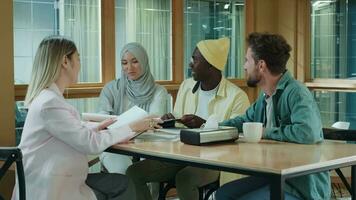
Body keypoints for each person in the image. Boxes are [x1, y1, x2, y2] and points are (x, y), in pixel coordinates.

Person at [12, 36, 162, 200]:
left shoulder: (48, 99)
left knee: (121, 183)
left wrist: (95, 127)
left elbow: (68, 131)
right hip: (51, 187)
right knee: (123, 185)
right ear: (65, 61)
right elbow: (90, 144)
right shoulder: (49, 103)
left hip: (58, 179)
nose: (79, 65)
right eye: (78, 59)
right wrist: (132, 127)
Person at [126, 37, 250, 200]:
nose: (190, 64)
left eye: (195, 59)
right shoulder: (186, 86)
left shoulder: (237, 97)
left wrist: (203, 125)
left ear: (211, 65)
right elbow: (179, 120)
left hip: (215, 162)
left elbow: (237, 138)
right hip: (180, 155)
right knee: (134, 172)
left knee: (186, 178)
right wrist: (170, 121)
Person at [215, 32, 331, 199]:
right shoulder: (265, 97)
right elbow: (244, 121)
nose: (244, 66)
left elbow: (307, 132)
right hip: (274, 177)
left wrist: (265, 132)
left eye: (247, 60)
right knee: (223, 194)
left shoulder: (297, 93)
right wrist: (213, 128)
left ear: (261, 65)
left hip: (300, 188)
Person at [98, 42, 168, 174]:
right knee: (124, 170)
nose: (129, 68)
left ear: (144, 61)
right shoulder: (111, 89)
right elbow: (102, 122)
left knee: (147, 169)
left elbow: (153, 121)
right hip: (115, 146)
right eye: (124, 63)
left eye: (135, 61)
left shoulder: (159, 91)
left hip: (147, 145)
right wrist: (135, 126)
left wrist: (122, 126)